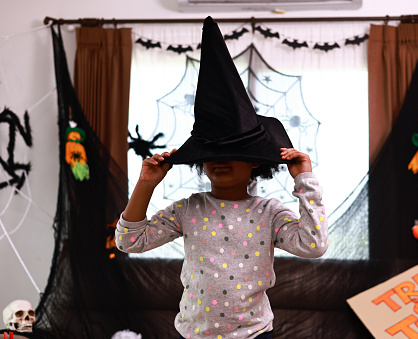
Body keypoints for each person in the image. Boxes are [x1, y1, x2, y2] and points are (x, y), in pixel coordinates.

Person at [116, 16, 329, 338]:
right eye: (211, 154)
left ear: (256, 162)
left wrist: (305, 180)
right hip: (194, 334)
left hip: (255, 334)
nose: (220, 161)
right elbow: (130, 241)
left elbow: (313, 245)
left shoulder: (270, 212)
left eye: (232, 153)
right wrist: (147, 184)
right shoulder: (187, 209)